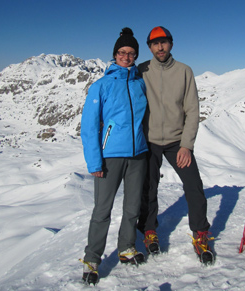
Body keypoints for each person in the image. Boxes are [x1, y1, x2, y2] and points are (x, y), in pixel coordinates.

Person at [137, 26, 214, 264]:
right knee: (148, 188)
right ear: (149, 47)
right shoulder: (141, 71)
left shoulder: (184, 71)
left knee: (194, 186)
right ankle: (149, 230)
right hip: (149, 141)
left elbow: (192, 111)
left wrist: (186, 145)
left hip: (177, 142)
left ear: (171, 44)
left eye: (164, 42)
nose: (160, 47)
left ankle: (200, 234)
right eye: (155, 43)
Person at [80, 27, 148, 285]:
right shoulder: (102, 85)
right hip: (110, 157)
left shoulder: (140, 82)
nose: (126, 57)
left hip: (138, 154)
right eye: (122, 52)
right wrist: (95, 162)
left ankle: (126, 248)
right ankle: (92, 259)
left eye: (131, 53)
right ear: (114, 54)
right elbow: (88, 127)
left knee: (132, 208)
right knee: (102, 210)